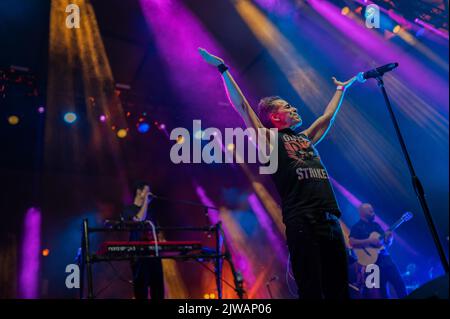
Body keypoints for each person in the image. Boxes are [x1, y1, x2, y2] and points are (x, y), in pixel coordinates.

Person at [199, 48, 356, 299]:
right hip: (303, 222)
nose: (293, 108)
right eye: (287, 107)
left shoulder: (305, 138)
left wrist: (341, 90)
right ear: (274, 116)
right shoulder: (269, 139)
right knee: (312, 292)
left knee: (340, 290)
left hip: (330, 220)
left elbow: (327, 118)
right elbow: (242, 106)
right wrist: (223, 69)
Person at [349, 203, 407, 298]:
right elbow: (351, 242)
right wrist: (369, 241)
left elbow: (385, 243)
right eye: (370, 211)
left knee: (399, 283)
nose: (373, 213)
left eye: (373, 210)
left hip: (386, 259)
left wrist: (389, 239)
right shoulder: (357, 227)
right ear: (362, 213)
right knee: (381, 291)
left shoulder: (376, 225)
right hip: (372, 263)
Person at [122, 181, 165, 299]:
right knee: (141, 292)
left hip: (154, 255)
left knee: (159, 292)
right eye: (146, 191)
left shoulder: (151, 212)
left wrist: (161, 239)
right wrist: (146, 201)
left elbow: (158, 232)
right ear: (139, 192)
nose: (149, 194)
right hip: (139, 256)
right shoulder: (128, 210)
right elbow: (139, 219)